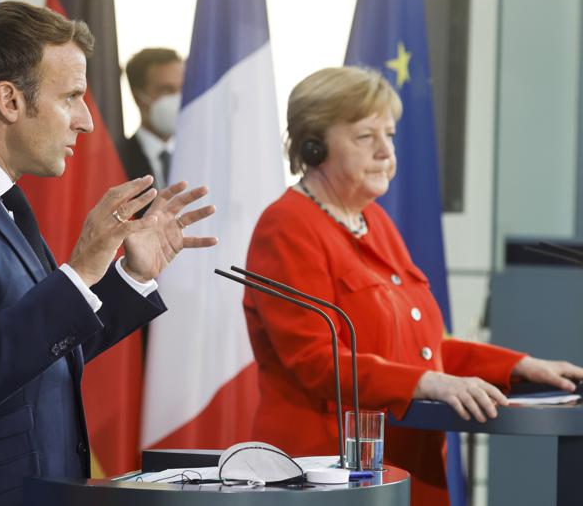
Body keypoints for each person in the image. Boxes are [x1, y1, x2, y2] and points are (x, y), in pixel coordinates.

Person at [0, 2, 216, 506]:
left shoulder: (2, 201)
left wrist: (130, 277)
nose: (87, 121)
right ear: (8, 100)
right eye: (71, 96)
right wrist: (82, 270)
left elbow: (46, 355)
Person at [242, 66, 583, 506]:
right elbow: (315, 360)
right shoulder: (287, 225)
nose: (386, 152)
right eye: (367, 137)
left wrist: (519, 366)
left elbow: (422, 353)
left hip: (405, 466)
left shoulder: (375, 222)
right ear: (314, 146)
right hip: (324, 473)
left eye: (391, 135)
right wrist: (427, 382)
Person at [120, 47, 184, 191]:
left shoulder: (205, 155)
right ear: (138, 98)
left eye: (183, 88)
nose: (178, 98)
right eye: (166, 90)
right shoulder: (115, 160)